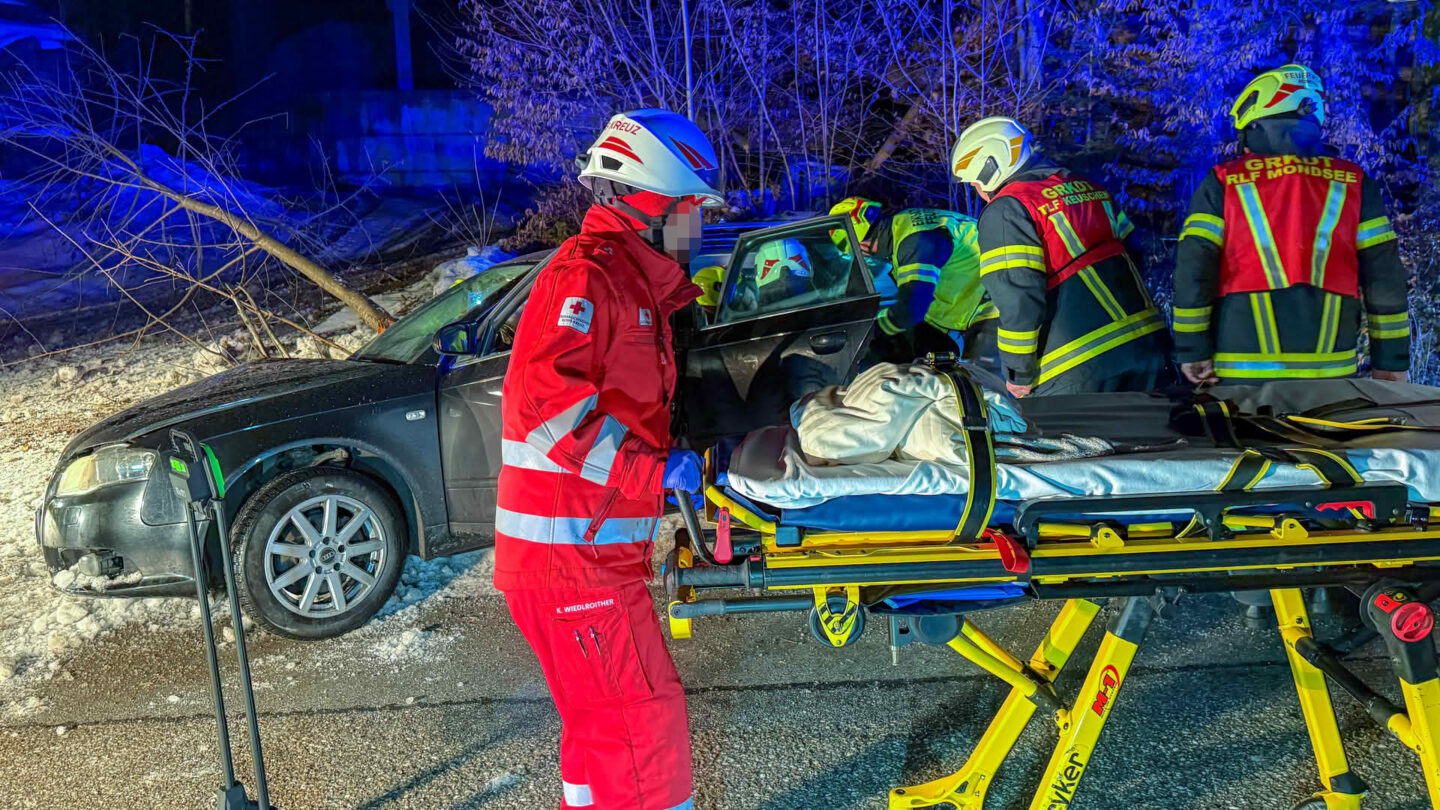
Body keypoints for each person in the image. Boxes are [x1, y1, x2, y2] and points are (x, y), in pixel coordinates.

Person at [495, 108, 717, 810]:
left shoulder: (630, 284)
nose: (699, 225)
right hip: (572, 561)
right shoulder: (588, 277)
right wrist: (652, 470)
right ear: (654, 203)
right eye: (693, 208)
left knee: (599, 727)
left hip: (582, 555)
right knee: (640, 722)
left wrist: (664, 467)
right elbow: (544, 406)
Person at [1173, 64, 1409, 385]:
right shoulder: (1353, 183)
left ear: (1256, 126)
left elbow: (1194, 269)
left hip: (1242, 372)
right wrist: (1391, 361)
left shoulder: (1223, 182)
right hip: (1332, 372)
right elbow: (1385, 279)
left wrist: (1192, 350)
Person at [951, 116, 1168, 397]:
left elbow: (1018, 298)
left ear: (992, 165)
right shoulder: (1091, 189)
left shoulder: (1007, 210)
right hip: (1149, 346)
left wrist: (1018, 373)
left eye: (973, 181)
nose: (975, 188)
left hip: (1078, 363)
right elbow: (1135, 256)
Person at [828, 197, 999, 368]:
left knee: (989, 374)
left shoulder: (915, 242)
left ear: (862, 245)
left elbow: (911, 307)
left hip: (994, 303)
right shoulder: (902, 227)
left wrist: (874, 333)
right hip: (976, 297)